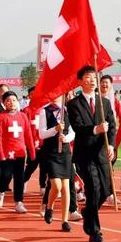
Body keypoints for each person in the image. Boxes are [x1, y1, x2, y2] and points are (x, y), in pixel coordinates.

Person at [67, 66, 116, 242]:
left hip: (101, 154)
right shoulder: (73, 104)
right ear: (80, 82)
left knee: (105, 190)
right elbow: (78, 127)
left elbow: (112, 126)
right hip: (85, 155)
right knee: (93, 188)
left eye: (94, 77)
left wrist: (111, 144)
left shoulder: (104, 103)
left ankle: (88, 211)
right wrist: (96, 129)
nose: (92, 80)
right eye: (88, 77)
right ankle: (94, 231)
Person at [0, 91, 35, 213]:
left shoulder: (22, 116)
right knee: (6, 175)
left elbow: (28, 135)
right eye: (8, 101)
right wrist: (1, 154)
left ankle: (18, 202)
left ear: (17, 102)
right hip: (6, 153)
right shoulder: (1, 117)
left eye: (13, 100)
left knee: (19, 178)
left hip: (20, 153)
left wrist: (32, 151)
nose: (11, 103)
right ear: (4, 103)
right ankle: (0, 190)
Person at [40, 96, 76, 232]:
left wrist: (66, 138)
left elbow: (73, 131)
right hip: (51, 152)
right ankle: (49, 206)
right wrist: (55, 129)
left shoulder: (67, 110)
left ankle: (64, 221)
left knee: (66, 188)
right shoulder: (44, 111)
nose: (56, 97)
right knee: (56, 185)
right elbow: (42, 134)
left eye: (59, 94)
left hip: (65, 152)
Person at [22, 87, 46, 197]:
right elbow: (25, 128)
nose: (34, 96)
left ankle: (42, 186)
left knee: (44, 165)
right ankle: (24, 181)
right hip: (32, 142)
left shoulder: (44, 109)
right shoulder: (26, 111)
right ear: (29, 96)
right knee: (32, 165)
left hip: (44, 141)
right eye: (32, 94)